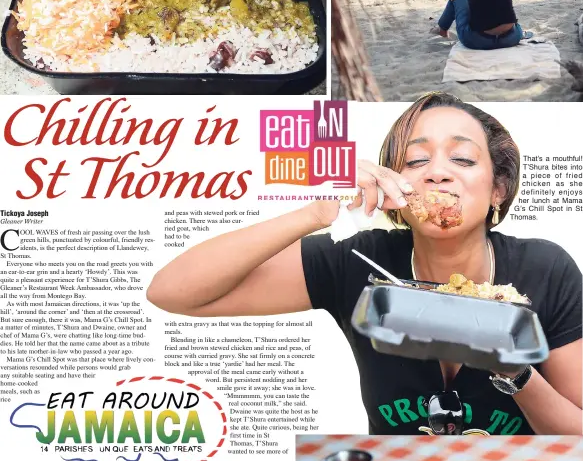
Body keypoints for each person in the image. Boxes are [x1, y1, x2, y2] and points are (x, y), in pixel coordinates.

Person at [146, 92, 583, 436]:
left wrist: (515, 372)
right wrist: (313, 214)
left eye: (463, 159)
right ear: (392, 186)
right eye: (416, 161)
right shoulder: (358, 261)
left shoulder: (545, 270)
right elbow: (171, 291)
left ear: (498, 189)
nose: (437, 173)